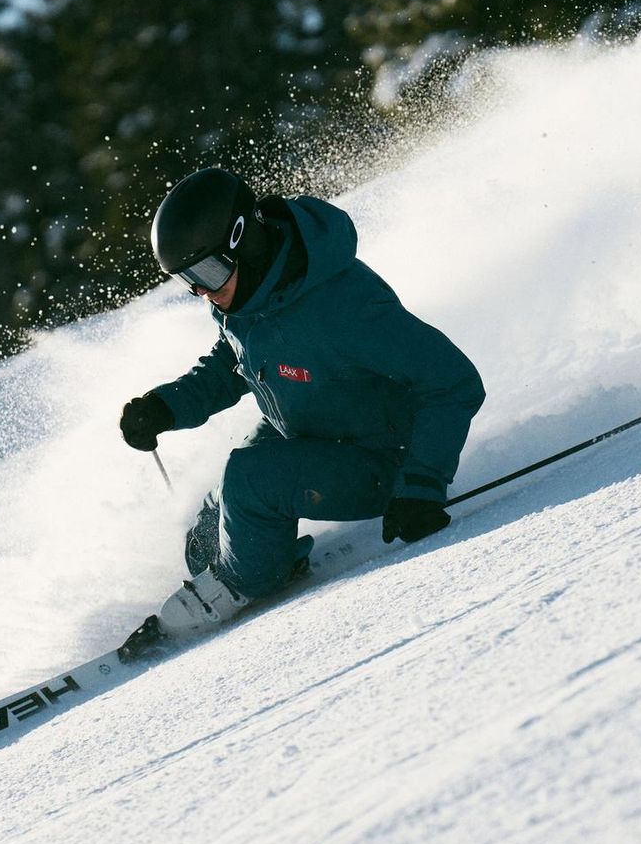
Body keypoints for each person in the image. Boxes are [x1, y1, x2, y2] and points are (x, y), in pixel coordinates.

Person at [120, 167, 485, 637]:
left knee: (250, 481)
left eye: (207, 271)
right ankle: (267, 560)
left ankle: (241, 583)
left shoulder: (343, 307)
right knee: (205, 542)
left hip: (384, 461)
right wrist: (165, 406)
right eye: (189, 281)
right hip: (310, 426)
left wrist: (421, 484)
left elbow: (454, 380)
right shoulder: (246, 294)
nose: (204, 291)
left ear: (243, 239)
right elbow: (234, 362)